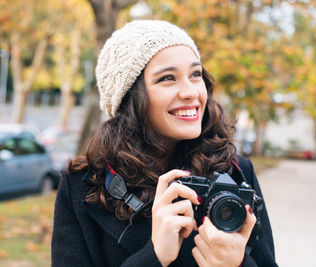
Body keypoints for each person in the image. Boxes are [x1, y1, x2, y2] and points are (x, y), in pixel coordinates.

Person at [51, 20, 278, 267]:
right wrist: (154, 256)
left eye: (195, 75)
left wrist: (238, 264)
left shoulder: (236, 171)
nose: (191, 92)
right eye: (168, 78)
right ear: (130, 99)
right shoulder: (83, 186)